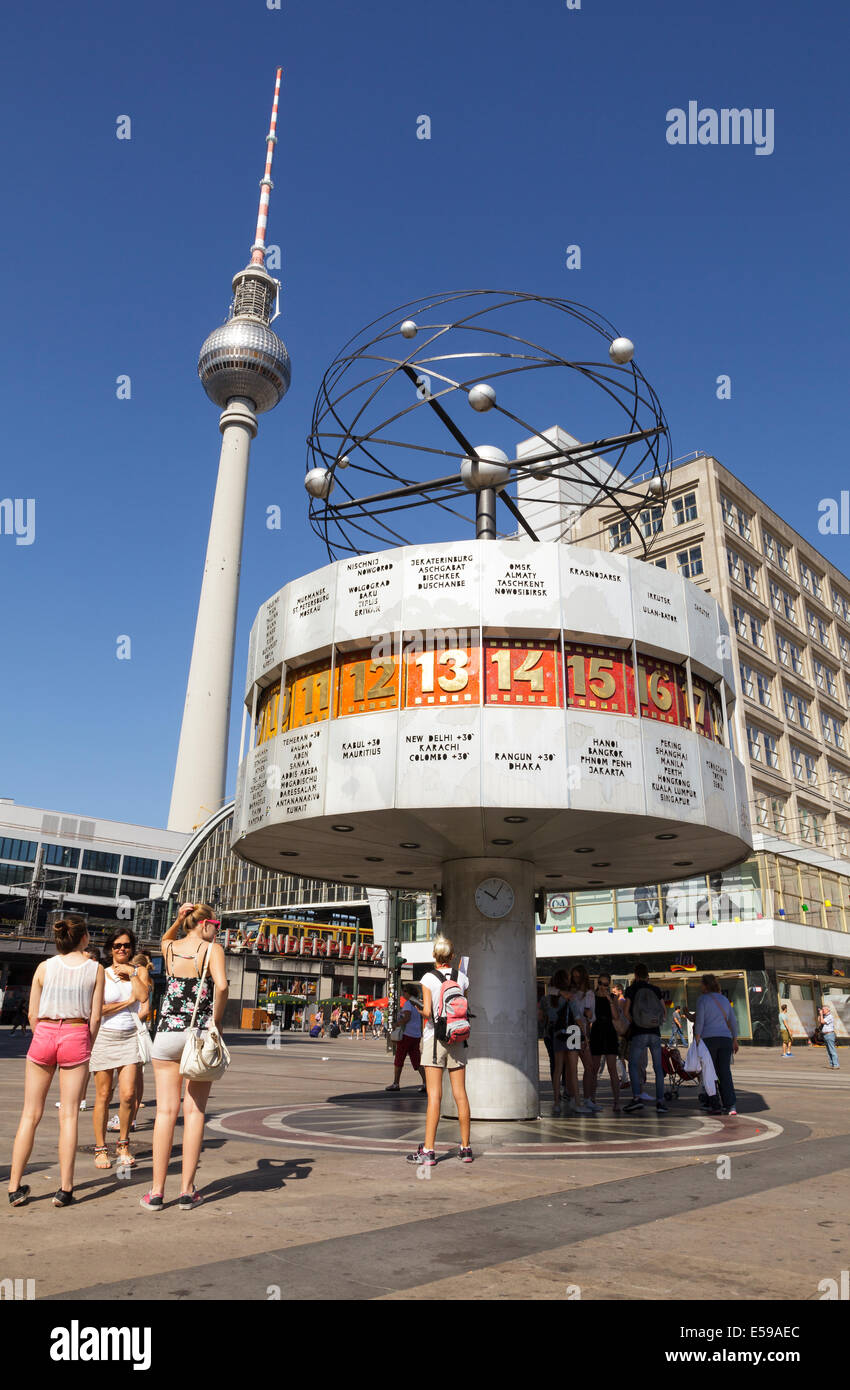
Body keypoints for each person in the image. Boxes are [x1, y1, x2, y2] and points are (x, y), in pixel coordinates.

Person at [8, 915, 105, 1207]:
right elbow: (96, 1015)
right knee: (69, 1115)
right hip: (77, 1032)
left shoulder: (44, 967)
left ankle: (14, 1187)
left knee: (30, 1114)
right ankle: (64, 1188)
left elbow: (32, 1014)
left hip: (45, 1034)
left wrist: (44, 1036)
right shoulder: (96, 969)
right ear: (85, 938)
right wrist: (86, 1042)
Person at [140, 902, 228, 1212]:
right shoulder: (211, 950)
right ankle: (188, 1191)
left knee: (165, 1113)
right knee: (194, 1112)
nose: (218, 929)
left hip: (165, 1034)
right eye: (215, 923)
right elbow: (222, 986)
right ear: (204, 924)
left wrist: (177, 921)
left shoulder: (171, 949)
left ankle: (156, 1191)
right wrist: (216, 1021)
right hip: (198, 1035)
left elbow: (164, 939)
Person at [406, 937, 472, 1165]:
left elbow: (428, 1012)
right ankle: (465, 1148)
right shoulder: (462, 978)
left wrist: (418, 1007)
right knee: (460, 1093)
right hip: (458, 1038)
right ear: (452, 956)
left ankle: (429, 1150)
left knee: (434, 1096)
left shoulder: (427, 978)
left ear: (435, 956)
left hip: (435, 1040)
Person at [90, 929, 148, 1170]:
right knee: (104, 1095)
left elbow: (144, 997)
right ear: (109, 949)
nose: (122, 949)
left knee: (127, 1096)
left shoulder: (137, 972)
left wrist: (133, 973)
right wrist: (127, 1003)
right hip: (104, 1037)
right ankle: (101, 1148)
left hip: (129, 1038)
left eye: (126, 945)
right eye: (117, 945)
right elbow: (97, 1010)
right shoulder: (101, 974)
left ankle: (123, 1144)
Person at [623, 964, 668, 1114]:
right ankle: (660, 1102)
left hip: (639, 1033)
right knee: (657, 1068)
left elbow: (625, 1010)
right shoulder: (655, 990)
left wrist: (634, 1023)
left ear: (635, 975)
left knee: (633, 1065)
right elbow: (664, 1012)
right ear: (647, 975)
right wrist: (657, 1023)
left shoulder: (631, 989)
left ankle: (637, 1098)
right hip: (655, 1033)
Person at [693, 974, 738, 1114]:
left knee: (709, 1073)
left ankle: (714, 1104)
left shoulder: (703, 999)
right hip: (725, 1039)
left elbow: (699, 1021)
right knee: (725, 1072)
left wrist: (697, 1039)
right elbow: (733, 1021)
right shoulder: (724, 999)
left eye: (701, 984)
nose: (701, 987)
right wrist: (735, 1039)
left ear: (705, 985)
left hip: (709, 1040)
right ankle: (731, 1105)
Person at [588, 974, 623, 1112]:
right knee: (594, 1069)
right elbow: (589, 1015)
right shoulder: (592, 997)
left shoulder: (613, 998)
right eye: (601, 984)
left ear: (609, 985)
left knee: (612, 1069)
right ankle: (592, 1099)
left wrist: (609, 1000)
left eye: (606, 984)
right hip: (596, 1032)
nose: (603, 987)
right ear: (598, 983)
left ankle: (617, 1101)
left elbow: (616, 1016)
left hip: (609, 1033)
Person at [568, 964, 599, 1111]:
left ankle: (585, 1099)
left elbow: (592, 1016)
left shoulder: (588, 994)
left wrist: (589, 1017)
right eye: (574, 976)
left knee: (588, 1066)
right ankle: (576, 1099)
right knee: (575, 1067)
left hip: (581, 1029)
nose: (576, 979)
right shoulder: (571, 993)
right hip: (575, 1030)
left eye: (578, 976)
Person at [385, 988, 427, 1093]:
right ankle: (426, 1083)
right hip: (416, 1035)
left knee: (399, 1059)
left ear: (409, 993)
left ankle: (396, 1083)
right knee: (417, 1060)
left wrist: (397, 1024)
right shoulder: (417, 1003)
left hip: (407, 1035)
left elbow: (407, 1018)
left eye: (404, 991)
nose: (403, 993)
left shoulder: (408, 1003)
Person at [130, 952, 153, 1129]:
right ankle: (131, 1117)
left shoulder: (140, 974)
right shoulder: (146, 979)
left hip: (134, 1028)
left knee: (135, 1076)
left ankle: (131, 1117)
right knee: (137, 1076)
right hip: (138, 1027)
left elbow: (144, 1008)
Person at [818, 1002, 840, 1069]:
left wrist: (821, 1015)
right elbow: (820, 1022)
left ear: (828, 1010)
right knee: (828, 1051)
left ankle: (836, 1064)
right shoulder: (825, 1016)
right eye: (822, 1010)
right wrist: (820, 1015)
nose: (823, 1011)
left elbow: (822, 1022)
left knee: (832, 1050)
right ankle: (832, 1064)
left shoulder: (830, 1016)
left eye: (823, 1010)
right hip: (825, 1035)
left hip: (829, 1035)